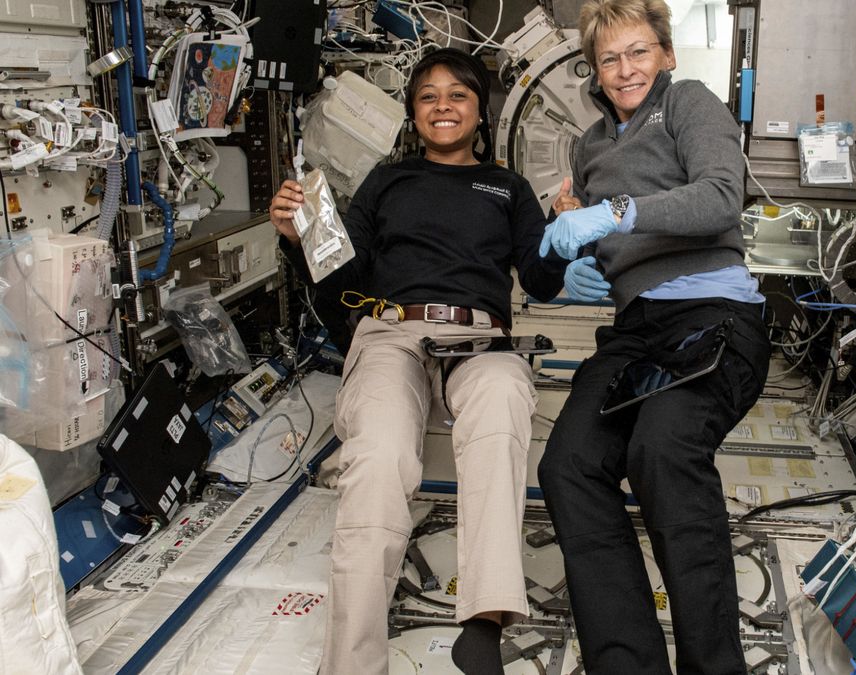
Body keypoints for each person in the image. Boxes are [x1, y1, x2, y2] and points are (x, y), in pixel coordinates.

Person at [269, 48, 566, 675]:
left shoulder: (507, 187)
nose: (442, 106)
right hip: (391, 333)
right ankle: (352, 662)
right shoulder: (387, 180)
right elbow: (338, 283)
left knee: (501, 405)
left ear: (480, 111)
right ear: (412, 110)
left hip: (481, 338)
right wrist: (300, 243)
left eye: (457, 94)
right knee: (377, 458)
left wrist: (562, 233)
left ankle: (485, 619)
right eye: (428, 95)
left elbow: (539, 281)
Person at [534, 1, 772, 673]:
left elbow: (722, 196)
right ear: (594, 69)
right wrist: (571, 264)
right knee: (569, 465)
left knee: (661, 451)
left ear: (666, 54)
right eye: (609, 58)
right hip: (636, 331)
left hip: (713, 316)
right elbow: (574, 244)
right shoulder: (588, 148)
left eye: (638, 52)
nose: (625, 68)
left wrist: (614, 214)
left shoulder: (689, 103)